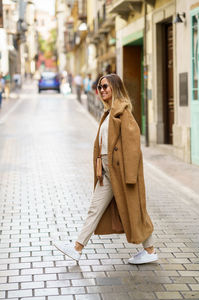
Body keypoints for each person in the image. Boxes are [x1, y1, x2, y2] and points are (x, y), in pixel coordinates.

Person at [54, 73, 158, 264]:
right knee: (95, 209)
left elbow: (133, 145)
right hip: (107, 172)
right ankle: (77, 247)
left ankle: (150, 251)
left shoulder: (123, 112)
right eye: (100, 87)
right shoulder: (109, 112)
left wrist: (130, 176)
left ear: (115, 88)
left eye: (106, 87)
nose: (102, 90)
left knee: (135, 209)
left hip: (121, 172)